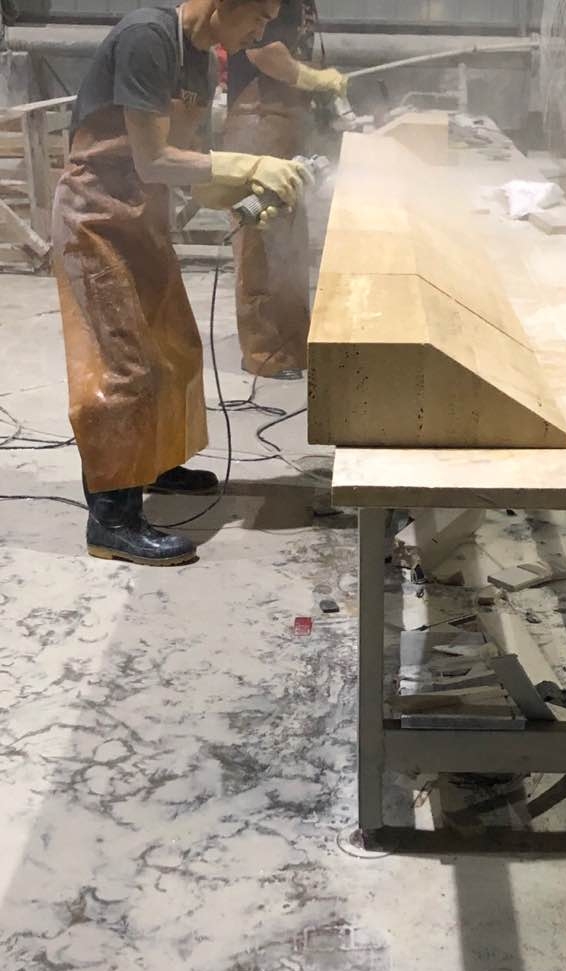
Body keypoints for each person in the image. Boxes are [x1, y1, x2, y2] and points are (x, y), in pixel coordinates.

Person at [53, 0, 311, 566]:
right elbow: (151, 159)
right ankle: (112, 519)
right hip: (97, 218)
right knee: (125, 368)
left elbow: (189, 164)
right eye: (259, 16)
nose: (262, 31)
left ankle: (155, 462)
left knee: (176, 348)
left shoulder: (202, 60)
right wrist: (249, 166)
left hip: (143, 217)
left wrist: (242, 197)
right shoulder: (149, 37)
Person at [223, 0, 347, 378]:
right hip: (256, 126)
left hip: (288, 128)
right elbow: (264, 54)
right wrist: (314, 79)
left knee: (291, 245)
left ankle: (294, 342)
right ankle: (262, 350)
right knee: (257, 243)